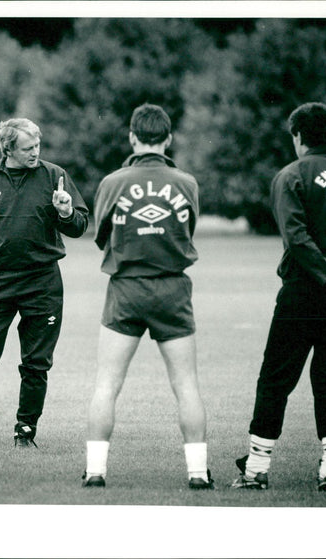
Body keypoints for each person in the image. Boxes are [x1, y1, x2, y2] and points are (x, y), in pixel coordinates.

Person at [232, 102, 326, 492]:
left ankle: (256, 468)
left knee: (276, 376)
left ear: (299, 137)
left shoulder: (292, 174)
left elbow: (296, 236)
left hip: (307, 289)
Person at [84, 103, 212, 490]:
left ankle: (95, 471)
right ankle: (197, 473)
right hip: (173, 289)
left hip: (125, 289)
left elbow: (101, 236)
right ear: (169, 138)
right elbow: (186, 232)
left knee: (107, 383)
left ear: (132, 137)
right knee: (186, 384)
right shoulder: (186, 182)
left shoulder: (112, 182)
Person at [0, 118, 88, 448]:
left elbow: (79, 226)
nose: (36, 152)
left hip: (42, 281)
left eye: (38, 146)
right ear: (8, 149)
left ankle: (25, 431)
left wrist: (65, 212)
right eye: (28, 148)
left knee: (36, 363)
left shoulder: (54, 176)